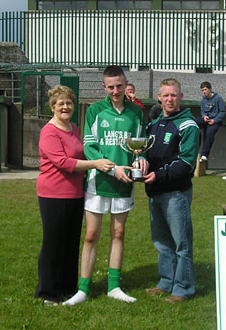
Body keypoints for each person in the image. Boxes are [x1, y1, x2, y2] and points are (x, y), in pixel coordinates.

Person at [63, 65, 146, 306]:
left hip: (125, 180)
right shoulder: (95, 111)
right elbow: (89, 147)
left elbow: (139, 146)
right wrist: (111, 168)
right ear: (104, 87)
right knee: (91, 234)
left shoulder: (136, 113)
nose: (115, 90)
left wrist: (139, 161)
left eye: (119, 85)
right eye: (110, 87)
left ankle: (113, 286)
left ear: (126, 83)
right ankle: (83, 289)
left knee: (118, 233)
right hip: (99, 180)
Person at [35, 85, 115, 306]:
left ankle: (68, 287)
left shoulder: (74, 129)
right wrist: (95, 164)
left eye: (69, 103)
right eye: (60, 103)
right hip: (53, 193)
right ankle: (47, 292)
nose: (65, 107)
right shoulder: (49, 131)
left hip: (75, 193)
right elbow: (63, 162)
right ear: (52, 107)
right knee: (53, 242)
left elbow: (82, 151)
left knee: (71, 242)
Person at [143, 78, 199, 303]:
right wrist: (141, 162)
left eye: (173, 95)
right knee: (161, 242)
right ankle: (166, 282)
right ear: (159, 97)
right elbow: (145, 151)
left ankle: (183, 288)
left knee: (181, 244)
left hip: (176, 193)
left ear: (181, 97)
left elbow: (186, 163)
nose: (169, 99)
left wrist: (159, 174)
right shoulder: (154, 124)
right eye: (165, 95)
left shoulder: (188, 125)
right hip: (155, 192)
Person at [195, 81, 225, 162]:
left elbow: (222, 112)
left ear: (210, 89)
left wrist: (215, 120)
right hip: (206, 120)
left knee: (209, 134)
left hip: (215, 121)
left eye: (205, 89)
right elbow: (202, 111)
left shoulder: (218, 99)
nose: (204, 92)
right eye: (202, 90)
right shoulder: (203, 100)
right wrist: (204, 116)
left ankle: (204, 154)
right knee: (193, 123)